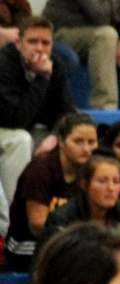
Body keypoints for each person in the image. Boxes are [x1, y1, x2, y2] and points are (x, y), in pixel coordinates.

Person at [3, 111, 94, 272]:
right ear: (61, 142)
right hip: (27, 247)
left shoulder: (91, 170)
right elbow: (37, 225)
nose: (86, 149)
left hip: (69, 242)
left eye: (91, 142)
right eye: (78, 141)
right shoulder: (40, 170)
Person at [0, 16, 76, 204]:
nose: (40, 48)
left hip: (33, 128)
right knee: (21, 140)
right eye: (33, 42)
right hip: (6, 129)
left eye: (45, 43)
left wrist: (56, 135)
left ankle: (65, 208)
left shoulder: (56, 64)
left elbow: (68, 111)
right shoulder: (4, 63)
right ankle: (17, 210)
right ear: (18, 43)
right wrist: (42, 78)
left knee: (76, 138)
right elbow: (15, 120)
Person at [43, 0, 120, 110]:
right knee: (106, 36)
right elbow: (100, 15)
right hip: (65, 31)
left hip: (111, 30)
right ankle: (105, 108)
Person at [38, 152, 120, 250]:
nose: (111, 188)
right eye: (102, 181)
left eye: (116, 182)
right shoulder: (62, 219)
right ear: (84, 184)